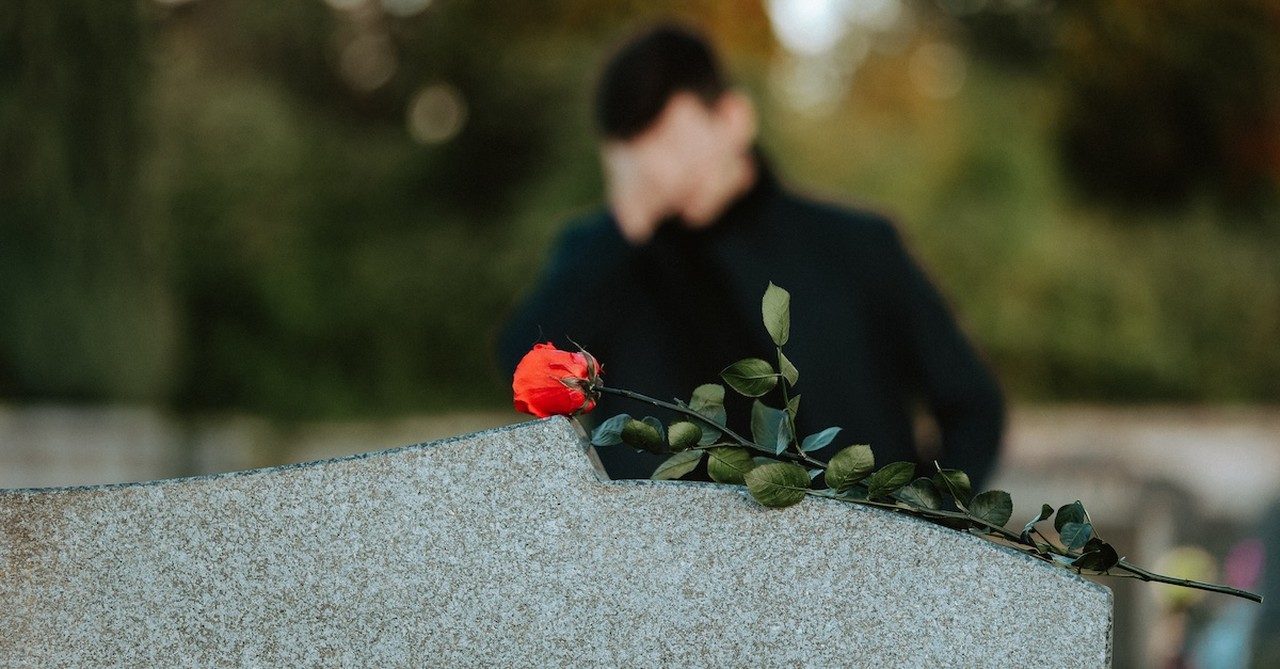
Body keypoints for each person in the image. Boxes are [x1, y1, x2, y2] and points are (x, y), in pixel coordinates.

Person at [498, 22, 1005, 487]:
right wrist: (625, 223)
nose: (662, 172)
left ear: (734, 120)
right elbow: (524, 374)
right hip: (683, 574)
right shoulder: (605, 261)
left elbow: (973, 404)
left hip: (858, 563)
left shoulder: (855, 245)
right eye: (639, 152)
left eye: (673, 141)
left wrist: (926, 531)